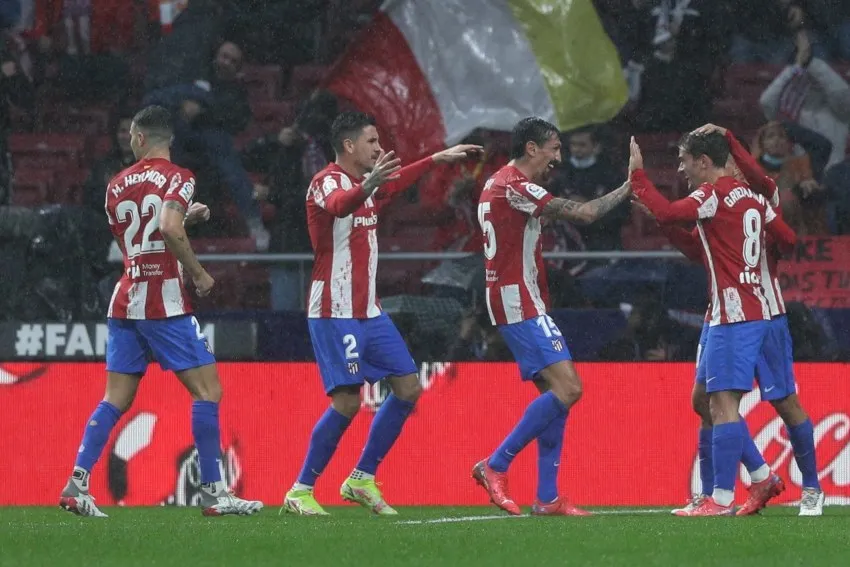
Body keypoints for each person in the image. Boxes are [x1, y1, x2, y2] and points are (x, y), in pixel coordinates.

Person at [58, 105, 262, 518]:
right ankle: (213, 492)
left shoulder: (115, 184)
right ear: (167, 139)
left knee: (115, 398)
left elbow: (147, 230)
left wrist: (186, 215)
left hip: (126, 296)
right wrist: (199, 272)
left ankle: (76, 485)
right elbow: (168, 228)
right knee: (208, 392)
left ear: (138, 138)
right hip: (163, 301)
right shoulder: (180, 177)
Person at [282, 111, 481, 516]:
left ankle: (361, 478)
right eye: (371, 142)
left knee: (407, 388)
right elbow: (339, 206)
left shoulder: (367, 184)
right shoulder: (327, 182)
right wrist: (370, 184)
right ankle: (301, 489)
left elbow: (397, 180)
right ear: (349, 146)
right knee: (347, 403)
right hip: (333, 310)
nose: (378, 148)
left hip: (368, 311)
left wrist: (438, 159)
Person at [658, 124, 825, 517]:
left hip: (761, 312)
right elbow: (701, 251)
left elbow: (782, 231)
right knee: (706, 399)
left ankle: (808, 487)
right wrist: (667, 225)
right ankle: (750, 478)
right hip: (727, 310)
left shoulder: (755, 195)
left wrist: (730, 138)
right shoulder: (729, 203)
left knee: (778, 401)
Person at [471, 117, 632, 516]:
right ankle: (495, 464)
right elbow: (586, 214)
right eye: (553, 149)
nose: (557, 158)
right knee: (570, 389)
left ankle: (546, 496)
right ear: (531, 148)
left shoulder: (498, 183)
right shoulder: (516, 186)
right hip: (517, 300)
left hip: (521, 298)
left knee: (555, 397)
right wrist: (631, 186)